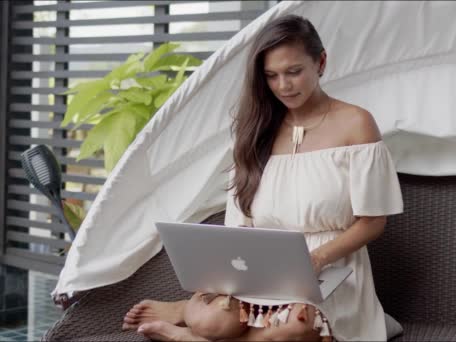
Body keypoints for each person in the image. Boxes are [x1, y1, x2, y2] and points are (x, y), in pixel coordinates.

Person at [122, 14, 403, 341]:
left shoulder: (356, 123)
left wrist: (317, 258)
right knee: (213, 322)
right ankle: (188, 311)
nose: (283, 86)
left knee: (296, 327)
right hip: (261, 268)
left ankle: (188, 338)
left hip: (332, 269)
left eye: (294, 72)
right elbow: (240, 225)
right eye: (271, 76)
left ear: (321, 62)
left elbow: (373, 221)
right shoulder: (257, 131)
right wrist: (223, 274)